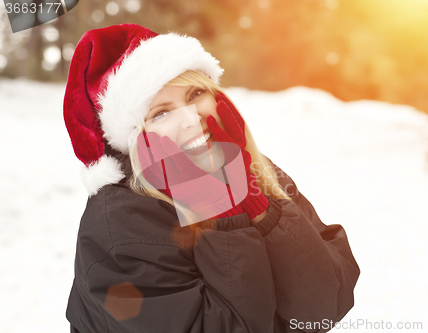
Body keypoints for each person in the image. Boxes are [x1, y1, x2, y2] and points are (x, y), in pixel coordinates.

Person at [64, 24, 360, 333]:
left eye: (195, 94)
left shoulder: (256, 171)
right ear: (135, 138)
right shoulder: (120, 222)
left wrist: (260, 210)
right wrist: (220, 213)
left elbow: (324, 309)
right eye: (161, 114)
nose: (192, 119)